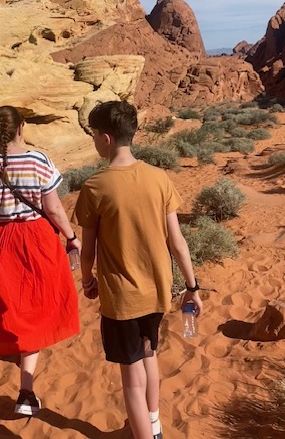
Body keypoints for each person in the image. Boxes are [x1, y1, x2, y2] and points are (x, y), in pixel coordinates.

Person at [73, 100, 203, 439]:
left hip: (122, 299)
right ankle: (153, 425)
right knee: (149, 354)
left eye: (93, 135)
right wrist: (192, 287)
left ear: (105, 139)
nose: (94, 141)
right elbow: (177, 241)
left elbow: (88, 251)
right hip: (157, 291)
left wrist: (87, 280)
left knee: (131, 379)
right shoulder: (159, 178)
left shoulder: (95, 187)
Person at [0, 105, 80, 416]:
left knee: (14, 306)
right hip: (35, 239)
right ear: (21, 128)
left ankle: (25, 377)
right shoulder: (38, 160)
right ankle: (26, 391)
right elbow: (53, 209)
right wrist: (71, 237)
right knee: (34, 308)